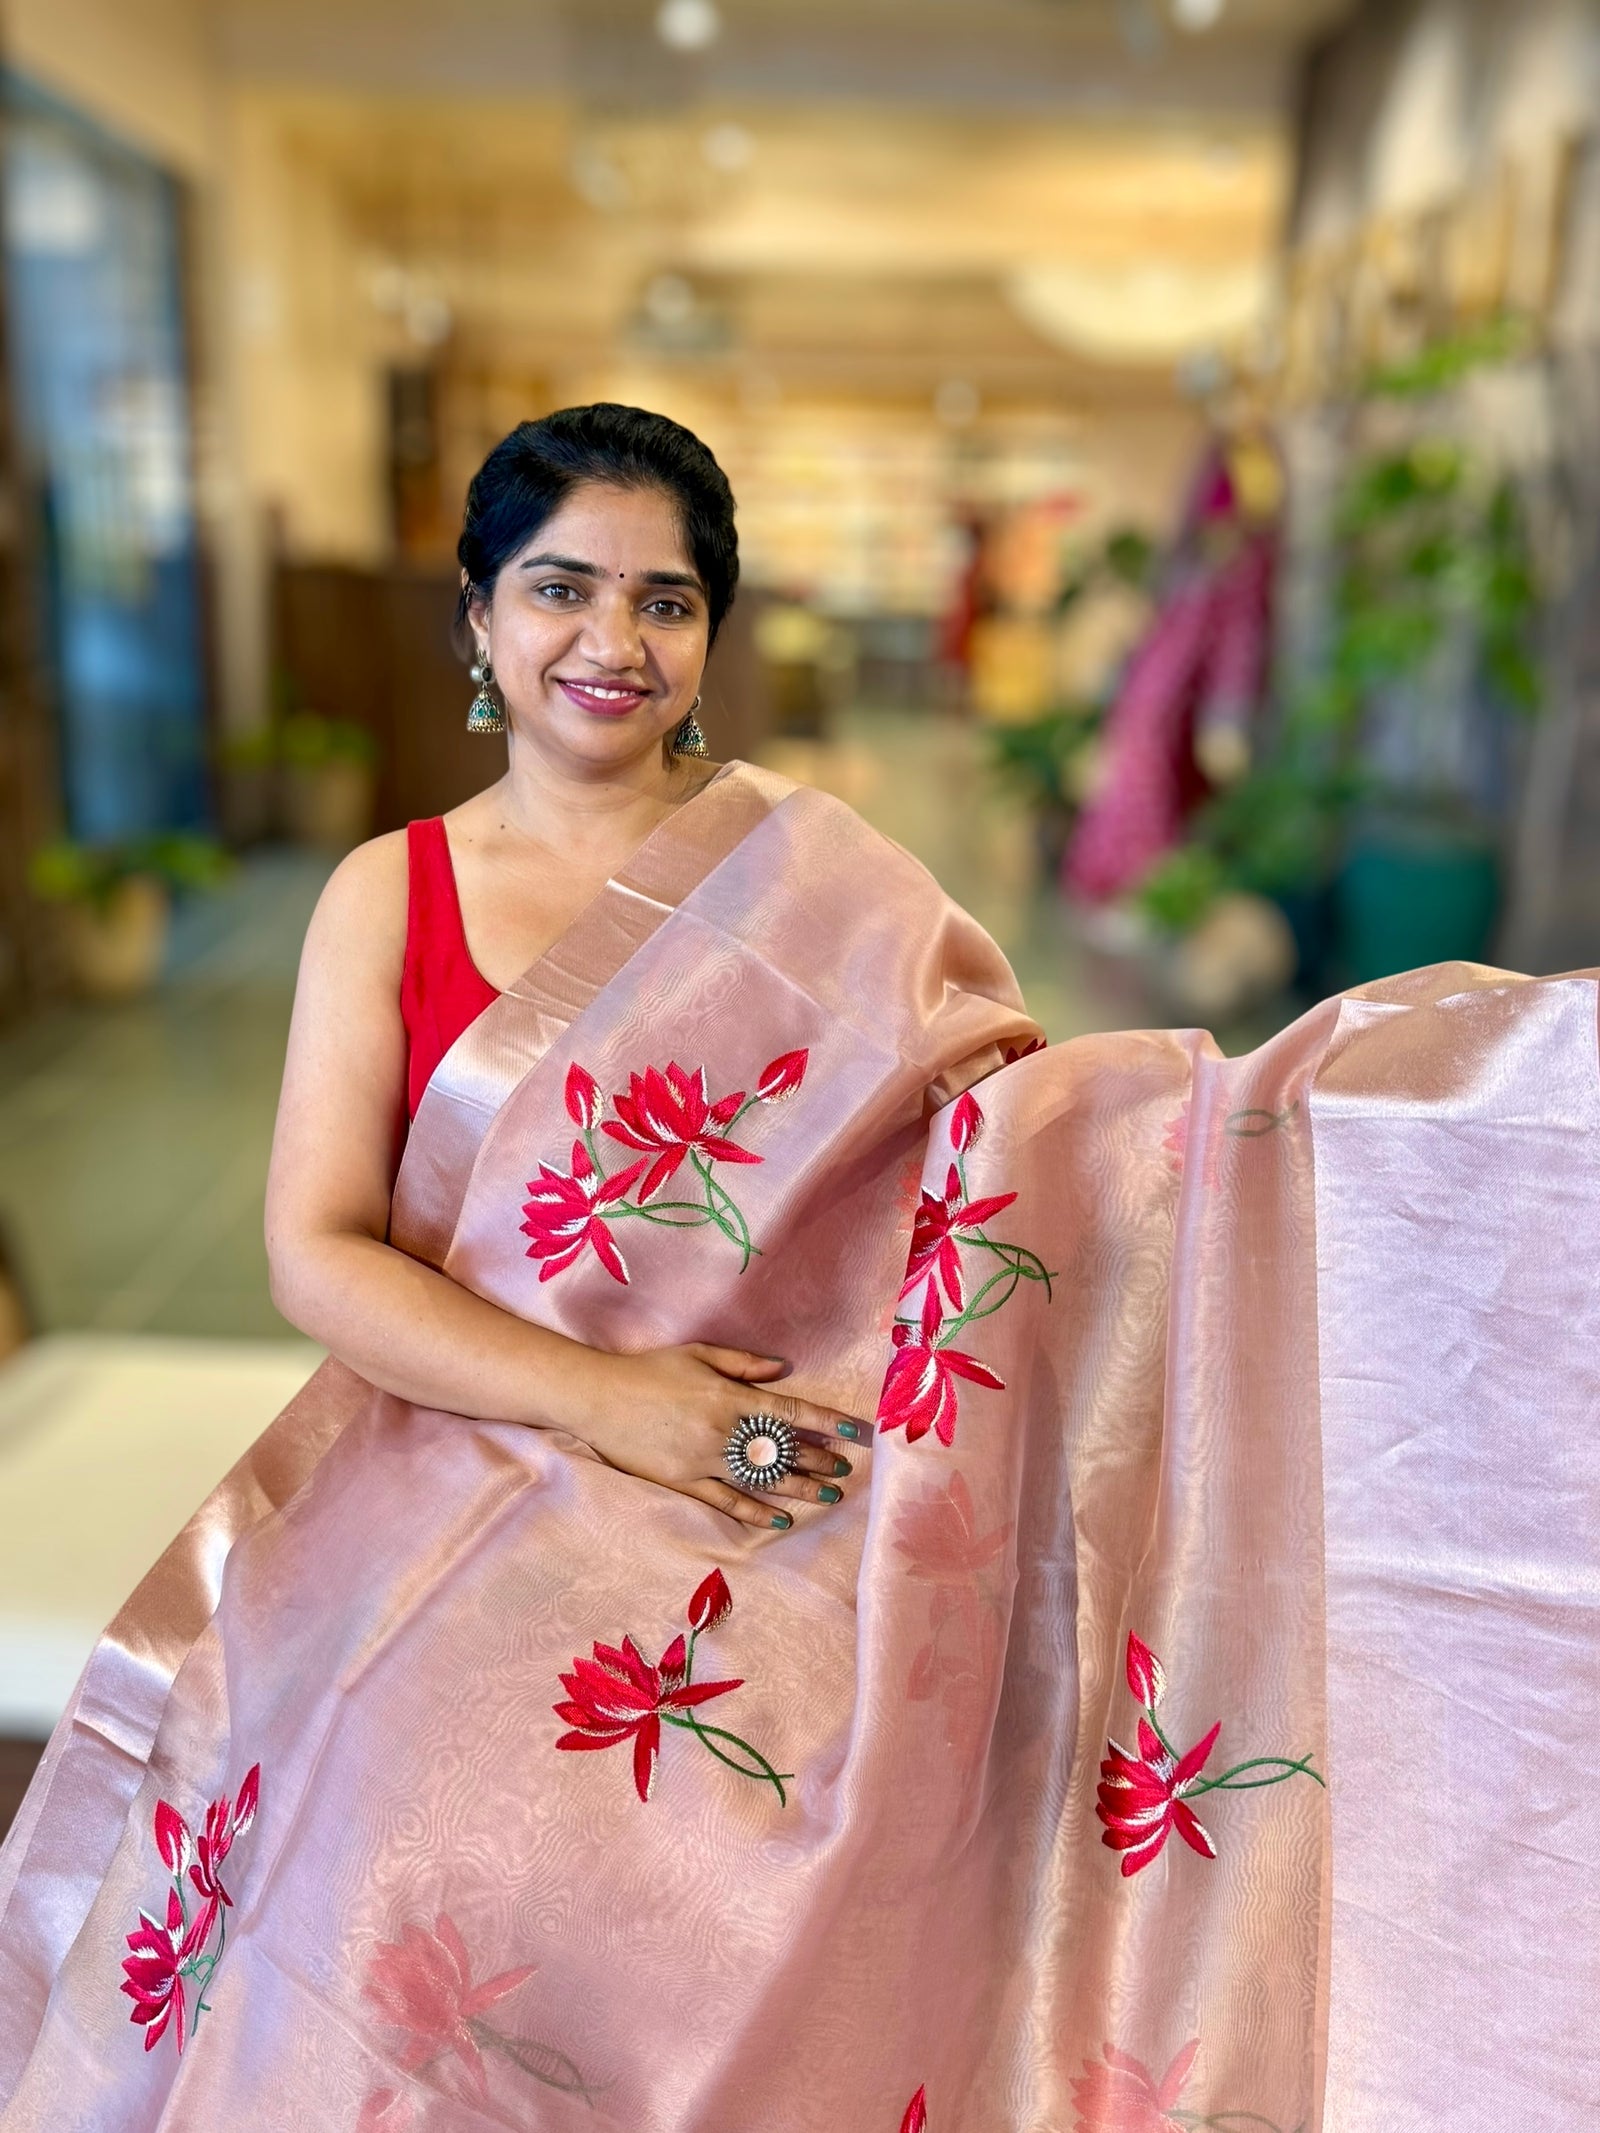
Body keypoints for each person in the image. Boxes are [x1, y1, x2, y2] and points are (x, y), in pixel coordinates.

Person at [0, 405, 1595, 2131]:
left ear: (711, 634)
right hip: (467, 1436)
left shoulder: (820, 879)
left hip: (800, 1458)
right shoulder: (392, 894)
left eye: (665, 602)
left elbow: (1010, 1158)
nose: (611, 643)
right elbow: (315, 1251)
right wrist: (615, 1402)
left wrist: (1279, 1132)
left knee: (848, 1800)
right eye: (559, 590)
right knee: (411, 1815)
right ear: (476, 616)